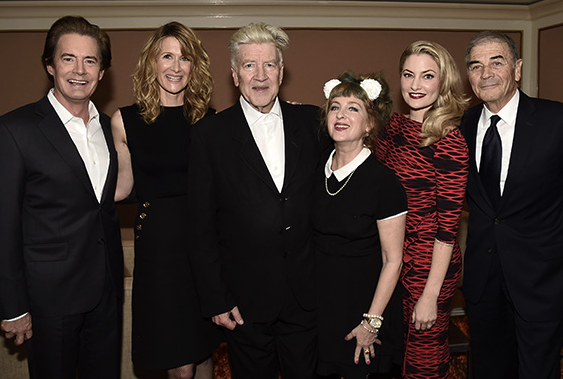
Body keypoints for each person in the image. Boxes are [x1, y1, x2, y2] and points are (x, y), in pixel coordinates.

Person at [460, 31, 563, 379]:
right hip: (484, 279)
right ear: (468, 76)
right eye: (476, 65)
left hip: (543, 276)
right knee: (487, 366)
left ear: (517, 69)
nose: (486, 73)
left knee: (537, 370)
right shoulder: (463, 126)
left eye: (496, 62)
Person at [0, 16, 123, 379]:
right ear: (50, 65)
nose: (79, 70)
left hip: (105, 295)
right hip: (49, 301)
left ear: (102, 71)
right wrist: (12, 307)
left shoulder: (111, 129)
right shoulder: (13, 131)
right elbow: (0, 228)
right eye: (68, 59)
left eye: (90, 61)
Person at [187, 22, 328, 379]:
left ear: (282, 72)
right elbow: (200, 226)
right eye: (250, 65)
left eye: (269, 65)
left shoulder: (314, 122)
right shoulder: (209, 135)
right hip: (243, 302)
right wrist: (216, 299)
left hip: (306, 296)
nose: (260, 75)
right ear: (235, 75)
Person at [110, 22, 222, 379]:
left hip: (202, 244)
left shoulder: (208, 119)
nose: (175, 67)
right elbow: (122, 187)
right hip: (158, 249)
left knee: (204, 350)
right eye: (167, 56)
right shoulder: (124, 121)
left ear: (195, 66)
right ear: (152, 63)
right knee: (180, 364)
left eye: (184, 57)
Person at [375, 40, 469, 379]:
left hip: (428, 267)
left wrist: (429, 295)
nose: (415, 85)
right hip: (394, 259)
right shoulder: (395, 127)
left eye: (427, 76)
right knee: (397, 355)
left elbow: (448, 230)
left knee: (423, 364)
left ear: (443, 82)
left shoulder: (448, 140)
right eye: (408, 74)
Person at [314, 72, 406, 379]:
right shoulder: (314, 171)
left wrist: (372, 322)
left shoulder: (384, 182)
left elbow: (392, 261)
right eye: (335, 106)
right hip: (319, 312)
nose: (341, 114)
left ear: (369, 124)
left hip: (364, 311)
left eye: (353, 107)